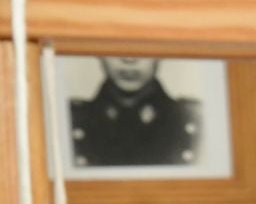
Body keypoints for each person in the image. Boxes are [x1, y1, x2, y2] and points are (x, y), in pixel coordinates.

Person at [68, 57, 201, 168]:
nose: (129, 59)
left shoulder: (194, 120)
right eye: (115, 44)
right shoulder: (69, 122)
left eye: (145, 45)